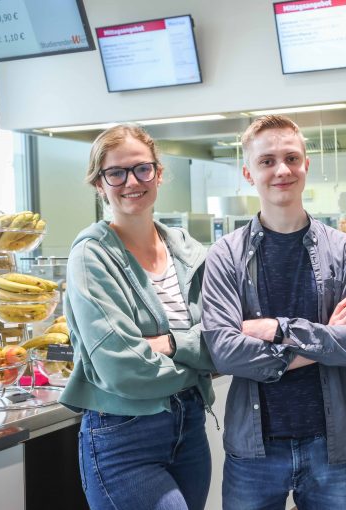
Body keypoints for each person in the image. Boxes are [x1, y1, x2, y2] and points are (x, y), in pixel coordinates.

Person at [201, 115, 346, 510]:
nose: (281, 170)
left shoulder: (344, 251)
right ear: (249, 172)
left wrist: (275, 328)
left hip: (331, 445)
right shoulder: (226, 255)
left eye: (291, 158)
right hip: (255, 449)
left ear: (306, 166)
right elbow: (225, 351)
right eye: (267, 161)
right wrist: (324, 338)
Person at [60, 124, 217, 510]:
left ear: (158, 173)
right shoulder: (91, 256)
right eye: (116, 173)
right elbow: (122, 368)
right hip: (122, 433)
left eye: (142, 169)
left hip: (190, 425)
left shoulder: (187, 250)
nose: (131, 181)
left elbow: (223, 335)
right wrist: (196, 362)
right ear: (99, 184)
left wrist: (170, 344)